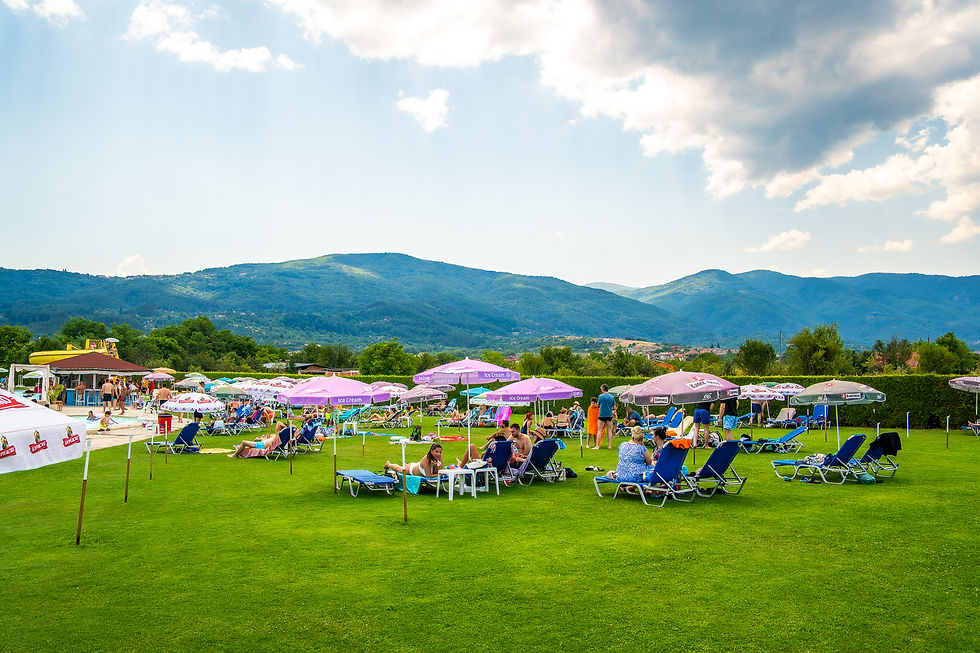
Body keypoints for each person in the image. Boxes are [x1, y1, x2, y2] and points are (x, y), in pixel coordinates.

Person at [595, 384, 616, 450]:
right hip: (609, 415)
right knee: (609, 430)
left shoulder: (600, 396)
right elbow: (614, 407)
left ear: (603, 389)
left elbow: (597, 405)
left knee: (599, 430)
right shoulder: (612, 397)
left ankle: (597, 446)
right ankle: (609, 446)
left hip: (601, 415)